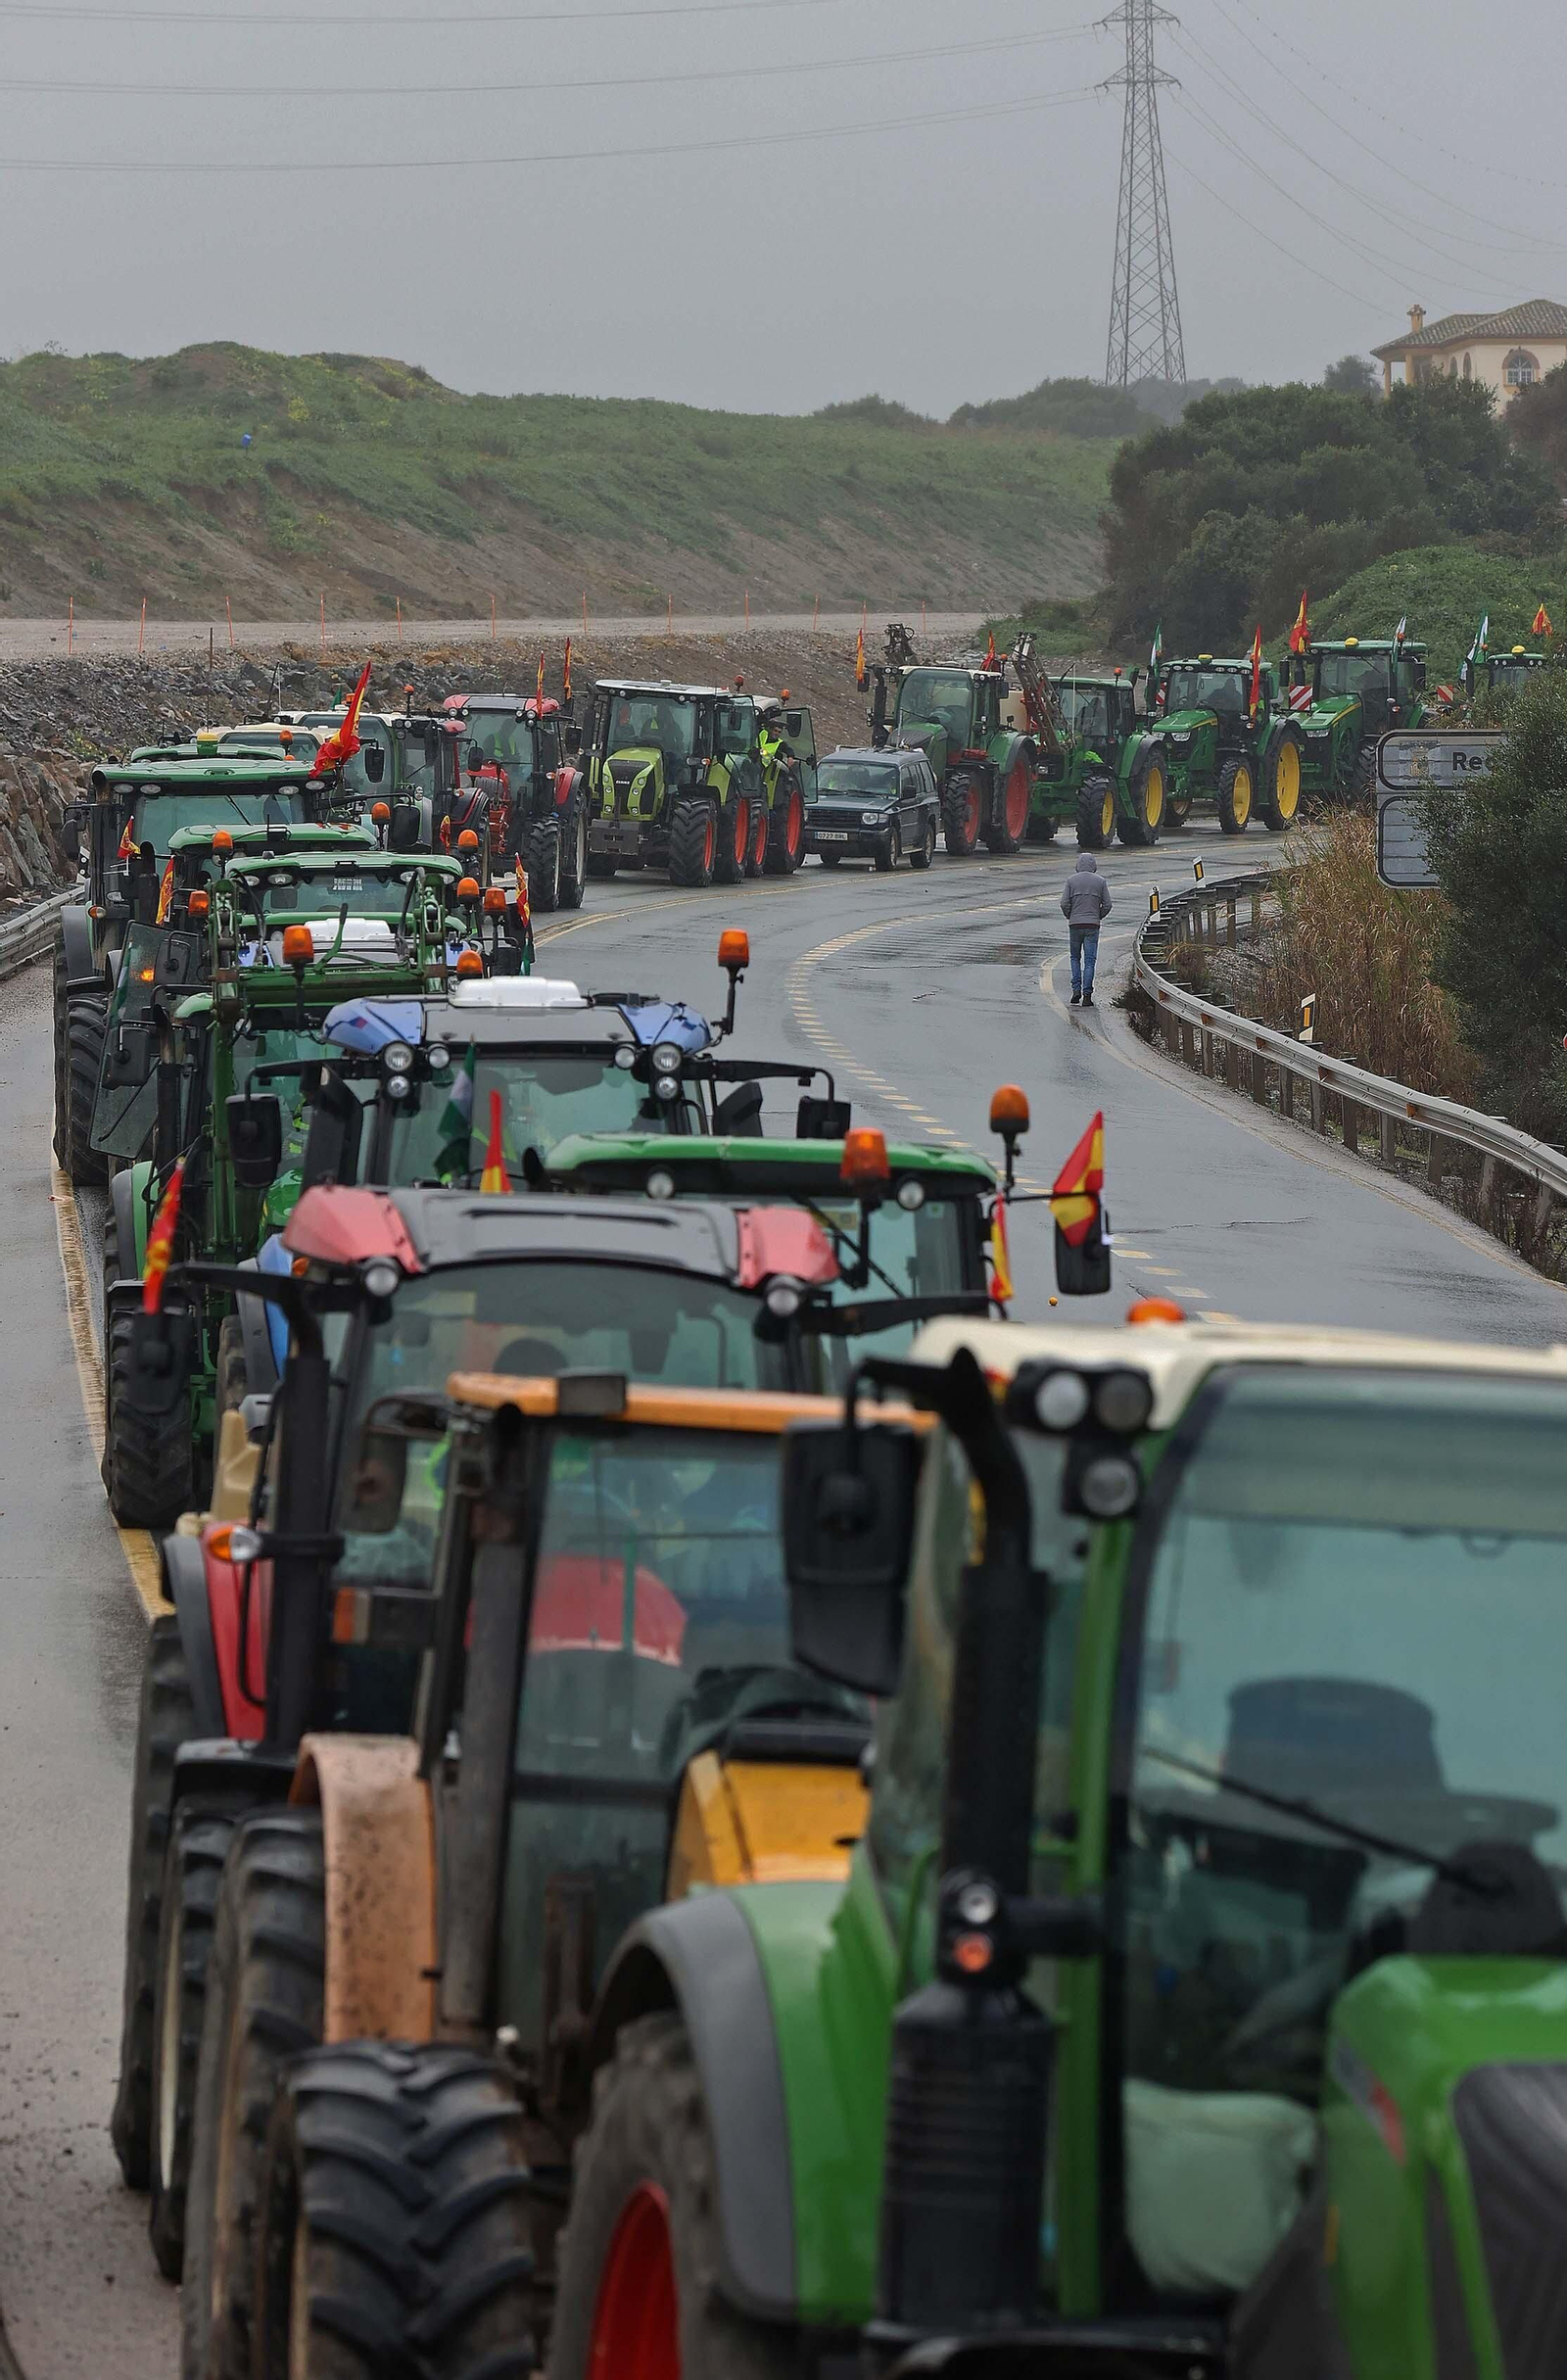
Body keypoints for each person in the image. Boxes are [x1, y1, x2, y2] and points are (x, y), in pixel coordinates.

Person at [1061, 850, 1112, 1007]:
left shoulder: (1071, 881)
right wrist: (1098, 916)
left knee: (1075, 958)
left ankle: (1076, 990)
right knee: (1090, 960)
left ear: (1078, 865)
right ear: (1093, 865)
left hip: (1075, 924)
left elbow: (1064, 903)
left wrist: (1070, 916)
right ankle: (1087, 994)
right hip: (1092, 925)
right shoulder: (1100, 881)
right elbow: (1108, 904)